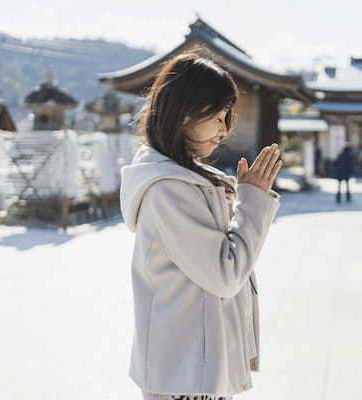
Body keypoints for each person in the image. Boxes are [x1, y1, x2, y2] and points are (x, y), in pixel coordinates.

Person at [119, 52, 282, 400]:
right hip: (184, 375)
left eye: (228, 118)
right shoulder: (169, 190)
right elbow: (224, 275)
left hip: (195, 369)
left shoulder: (187, 180)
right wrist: (251, 202)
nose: (224, 131)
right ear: (185, 113)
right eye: (219, 117)